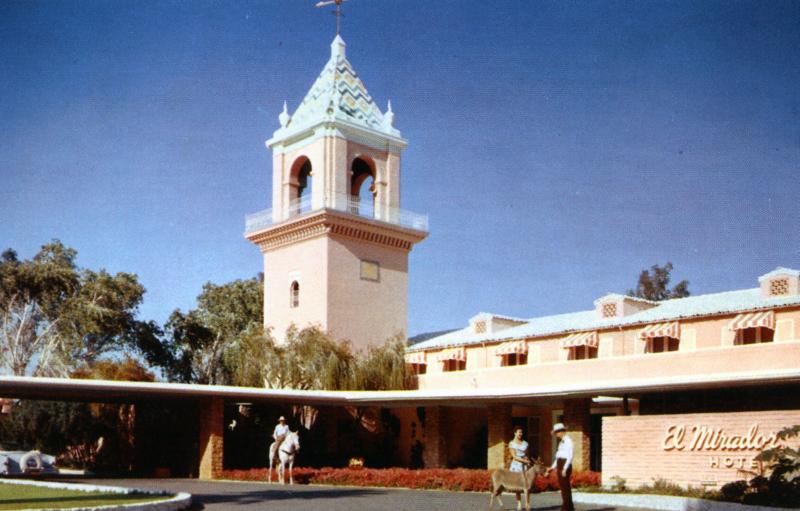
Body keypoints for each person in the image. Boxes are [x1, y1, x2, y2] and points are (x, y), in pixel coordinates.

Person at [547, 423, 574, 511]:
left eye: (557, 432)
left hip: (564, 464)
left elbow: (570, 456)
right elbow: (558, 456)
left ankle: (566, 508)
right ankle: (569, 507)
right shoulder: (561, 443)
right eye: (556, 432)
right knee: (563, 487)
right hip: (560, 463)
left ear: (562, 431)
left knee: (565, 487)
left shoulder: (568, 441)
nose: (556, 434)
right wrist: (552, 467)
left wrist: (565, 468)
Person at [508, 426, 530, 510]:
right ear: (515, 433)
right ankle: (519, 504)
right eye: (519, 432)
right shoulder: (512, 443)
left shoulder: (525, 443)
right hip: (516, 465)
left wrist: (526, 459)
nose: (520, 434)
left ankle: (527, 503)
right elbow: (514, 456)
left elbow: (526, 454)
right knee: (517, 486)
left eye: (521, 432)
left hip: (525, 466)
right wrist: (524, 461)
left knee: (526, 485)